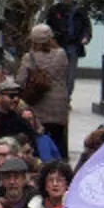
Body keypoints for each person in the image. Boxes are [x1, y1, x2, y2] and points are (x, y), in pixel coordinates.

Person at [18, 24, 71, 157]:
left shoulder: (29, 57)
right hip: (59, 103)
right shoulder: (61, 54)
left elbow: (20, 80)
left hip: (38, 101)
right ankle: (60, 160)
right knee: (58, 136)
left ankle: (44, 161)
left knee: (40, 135)